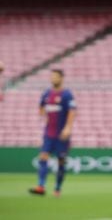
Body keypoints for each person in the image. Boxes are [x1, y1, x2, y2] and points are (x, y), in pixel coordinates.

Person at [29, 69, 76, 197]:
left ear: (61, 78)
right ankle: (41, 186)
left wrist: (68, 128)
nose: (53, 79)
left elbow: (72, 111)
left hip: (61, 136)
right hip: (48, 134)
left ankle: (57, 188)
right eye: (52, 77)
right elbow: (41, 106)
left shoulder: (67, 95)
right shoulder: (46, 93)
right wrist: (43, 114)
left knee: (61, 161)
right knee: (43, 157)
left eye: (56, 77)